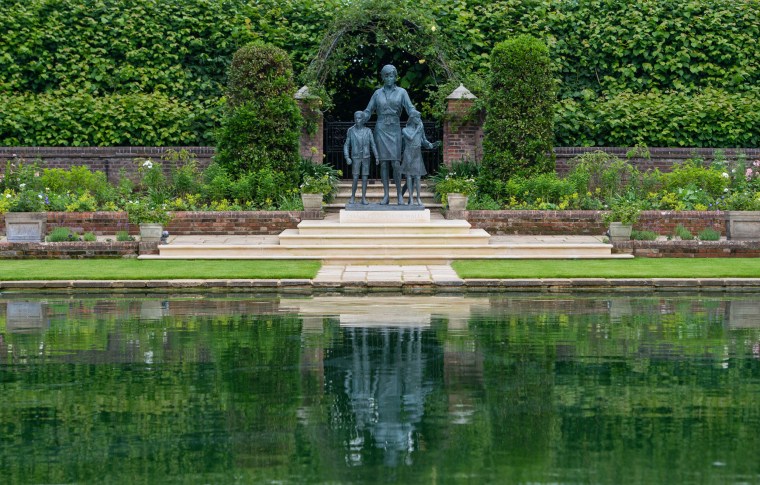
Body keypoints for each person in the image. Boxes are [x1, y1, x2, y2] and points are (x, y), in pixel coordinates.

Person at [363, 64, 416, 205]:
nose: (388, 78)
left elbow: (410, 108)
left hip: (394, 128)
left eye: (391, 76)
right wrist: (363, 116)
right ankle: (386, 195)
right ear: (382, 77)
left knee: (396, 163)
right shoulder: (377, 93)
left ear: (395, 77)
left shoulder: (402, 92)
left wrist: (415, 115)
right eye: (386, 76)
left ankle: (399, 195)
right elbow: (368, 111)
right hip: (380, 129)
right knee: (384, 164)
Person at [400, 110, 441, 205]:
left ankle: (418, 198)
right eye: (417, 118)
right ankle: (411, 198)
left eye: (419, 118)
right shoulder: (405, 130)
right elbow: (410, 138)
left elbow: (423, 140)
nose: (419, 120)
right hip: (408, 153)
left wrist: (431, 144)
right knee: (409, 177)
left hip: (417, 153)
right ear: (412, 118)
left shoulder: (420, 128)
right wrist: (417, 130)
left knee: (418, 177)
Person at [343, 111, 379, 205]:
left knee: (364, 178)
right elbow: (346, 145)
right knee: (355, 177)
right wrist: (347, 157)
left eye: (359, 118)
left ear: (363, 120)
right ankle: (352, 197)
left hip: (366, 157)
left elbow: (373, 144)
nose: (357, 120)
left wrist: (377, 156)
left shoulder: (368, 131)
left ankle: (363, 198)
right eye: (356, 118)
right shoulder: (351, 130)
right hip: (355, 157)